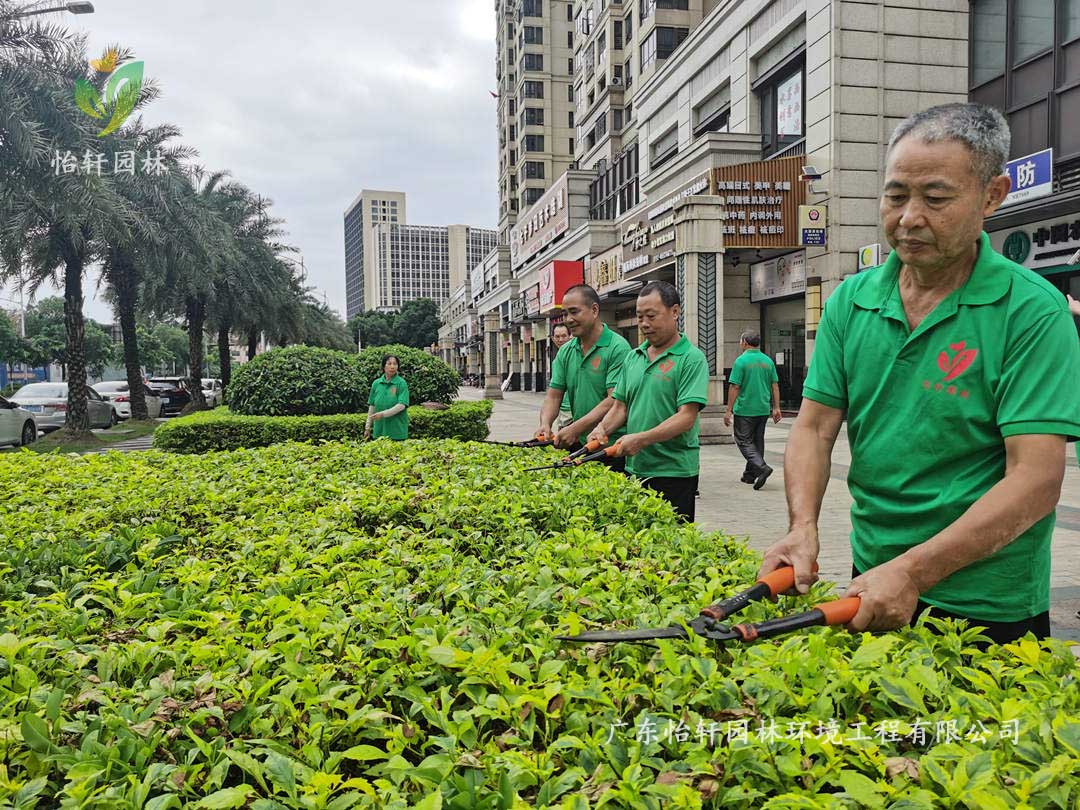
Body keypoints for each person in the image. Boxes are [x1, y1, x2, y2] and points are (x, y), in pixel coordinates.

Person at [757, 102, 1080, 645]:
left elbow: (1036, 479)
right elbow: (812, 428)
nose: (908, 217)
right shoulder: (851, 302)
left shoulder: (1032, 312)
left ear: (992, 196)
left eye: (935, 198)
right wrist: (802, 526)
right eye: (896, 195)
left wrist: (913, 572)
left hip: (987, 601)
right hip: (873, 579)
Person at [587, 281, 709, 520]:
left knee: (672, 546)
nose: (644, 324)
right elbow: (620, 406)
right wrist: (602, 428)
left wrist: (641, 439)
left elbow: (686, 416)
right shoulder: (634, 357)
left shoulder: (691, 359)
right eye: (640, 317)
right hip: (635, 468)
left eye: (651, 316)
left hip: (674, 472)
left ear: (675, 312)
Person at [538, 285, 632, 470]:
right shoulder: (566, 351)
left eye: (574, 312)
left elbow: (614, 399)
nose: (569, 319)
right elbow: (554, 395)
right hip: (579, 444)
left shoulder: (617, 348)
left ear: (594, 310)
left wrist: (575, 428)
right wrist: (545, 424)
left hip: (610, 446)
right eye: (565, 314)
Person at [724, 331, 782, 489]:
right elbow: (774, 385)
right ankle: (749, 475)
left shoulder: (741, 361)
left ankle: (762, 468)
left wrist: (729, 410)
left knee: (743, 440)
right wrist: (776, 407)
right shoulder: (767, 361)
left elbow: (735, 386)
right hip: (763, 408)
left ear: (744, 342)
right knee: (757, 442)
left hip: (745, 409)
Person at [365, 354, 410, 441]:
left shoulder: (401, 383)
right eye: (389, 364)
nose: (392, 367)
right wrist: (367, 427)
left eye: (395, 364)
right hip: (379, 431)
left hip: (397, 432)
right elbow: (372, 406)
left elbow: (402, 405)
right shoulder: (376, 383)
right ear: (383, 366)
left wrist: (382, 414)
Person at [550, 322, 574, 432]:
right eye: (557, 336)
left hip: (574, 411)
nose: (560, 340)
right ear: (552, 338)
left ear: (571, 336)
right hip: (562, 411)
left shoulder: (576, 357)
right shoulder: (557, 360)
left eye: (564, 336)